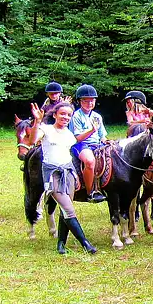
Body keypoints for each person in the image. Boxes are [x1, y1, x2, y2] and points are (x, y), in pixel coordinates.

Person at [27, 101, 97, 254]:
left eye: (69, 115)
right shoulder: (45, 129)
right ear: (55, 115)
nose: (66, 117)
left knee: (65, 209)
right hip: (53, 174)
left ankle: (61, 244)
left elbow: (76, 141)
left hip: (69, 172)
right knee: (69, 210)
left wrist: (92, 130)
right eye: (63, 114)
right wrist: (37, 121)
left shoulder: (68, 133)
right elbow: (32, 141)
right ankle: (86, 244)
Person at [68, 84, 107, 203]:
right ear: (80, 101)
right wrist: (92, 130)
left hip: (97, 143)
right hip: (81, 144)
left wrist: (106, 141)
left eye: (92, 100)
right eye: (86, 100)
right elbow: (78, 138)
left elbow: (102, 135)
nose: (89, 103)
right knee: (89, 161)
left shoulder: (97, 116)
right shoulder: (76, 116)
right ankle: (90, 192)